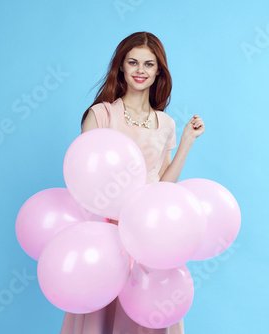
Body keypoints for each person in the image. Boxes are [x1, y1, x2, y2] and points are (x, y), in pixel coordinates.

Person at [60, 31, 204, 334]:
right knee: (102, 312)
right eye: (133, 62)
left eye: (149, 65)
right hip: (107, 236)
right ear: (121, 67)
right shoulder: (101, 115)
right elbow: (84, 179)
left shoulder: (165, 123)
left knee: (147, 309)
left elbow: (164, 185)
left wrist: (187, 142)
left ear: (158, 72)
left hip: (149, 235)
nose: (141, 71)